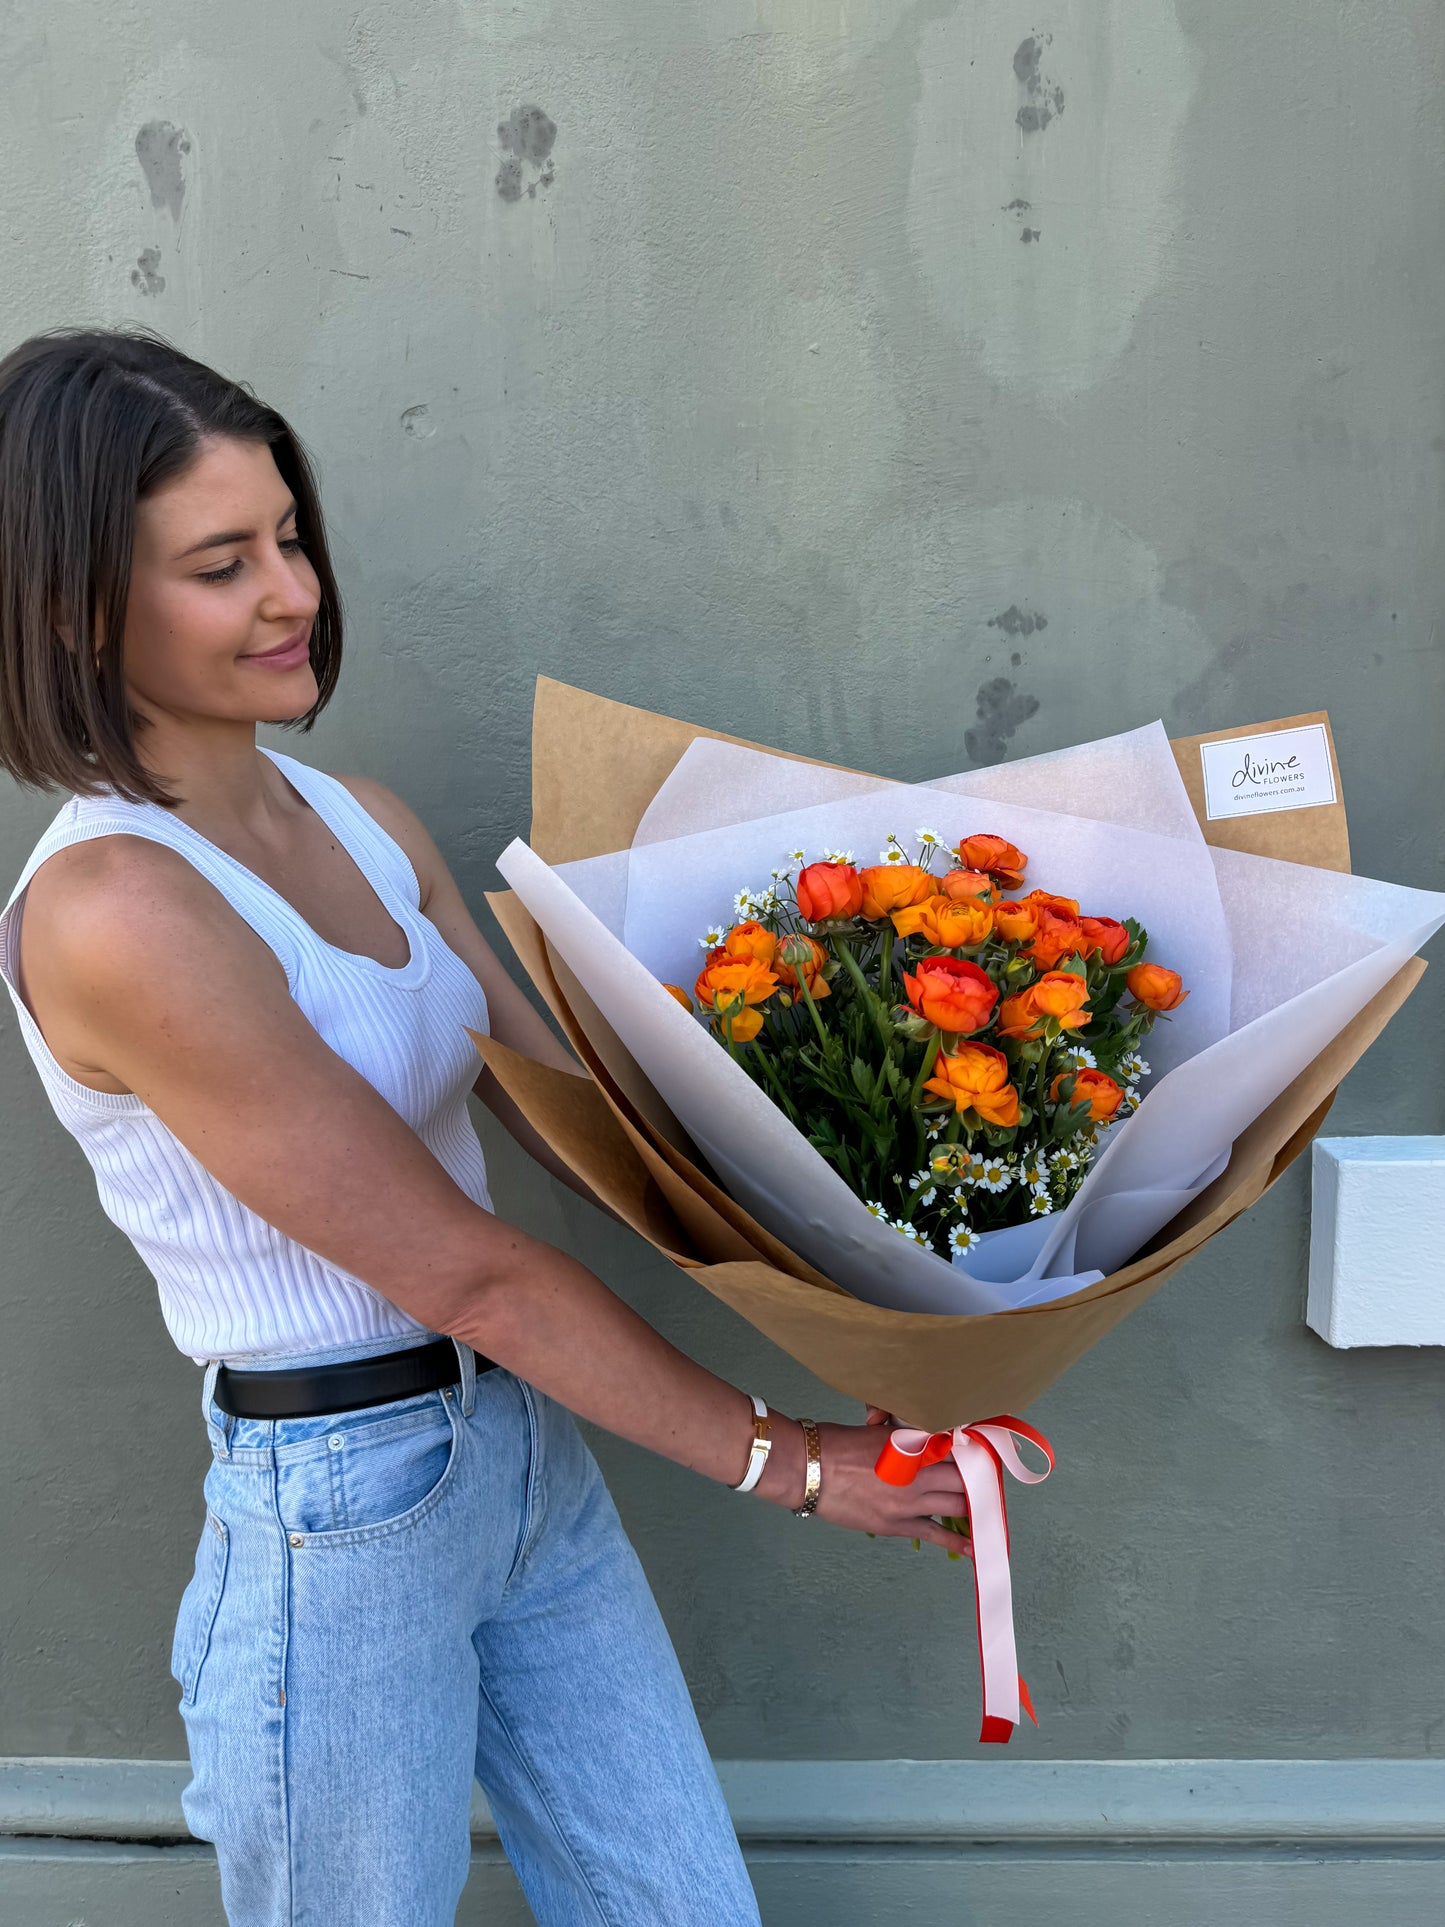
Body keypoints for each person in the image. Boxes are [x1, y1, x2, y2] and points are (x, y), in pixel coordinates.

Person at [0, 329, 969, 1927]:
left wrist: (904, 1298)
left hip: (522, 1458)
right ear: (68, 610)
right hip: (340, 1507)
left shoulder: (363, 824)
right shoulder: (117, 910)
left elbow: (600, 1137)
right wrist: (788, 1462)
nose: (291, 594)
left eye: (291, 537)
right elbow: (469, 1272)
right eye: (220, 563)